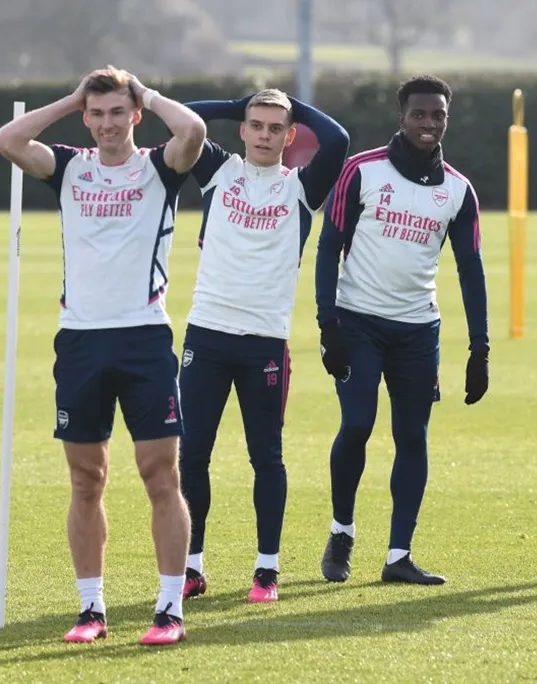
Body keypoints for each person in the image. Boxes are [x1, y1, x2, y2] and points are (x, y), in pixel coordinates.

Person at [0, 66, 206, 645]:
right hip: (81, 341)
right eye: (97, 114)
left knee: (160, 474)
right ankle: (91, 610)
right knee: (86, 480)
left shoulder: (160, 167)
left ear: (134, 115)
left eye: (118, 112)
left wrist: (152, 93)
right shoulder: (68, 167)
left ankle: (168, 609)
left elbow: (195, 133)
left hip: (144, 338)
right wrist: (70, 99)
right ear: (87, 119)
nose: (107, 124)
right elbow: (8, 142)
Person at [316, 75, 489, 586]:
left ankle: (398, 556)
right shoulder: (361, 171)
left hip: (418, 331)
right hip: (358, 323)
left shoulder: (458, 190)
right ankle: (342, 532)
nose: (429, 123)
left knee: (412, 435)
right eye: (420, 114)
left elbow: (471, 270)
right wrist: (329, 323)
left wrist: (480, 350)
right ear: (402, 117)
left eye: (438, 115)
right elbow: (328, 247)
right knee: (358, 424)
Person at [177, 89, 349, 602]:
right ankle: (191, 567)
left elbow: (337, 138)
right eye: (256, 125)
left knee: (266, 458)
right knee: (192, 457)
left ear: (291, 135)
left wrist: (288, 101)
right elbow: (179, 119)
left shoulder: (300, 188)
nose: (265, 135)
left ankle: (266, 570)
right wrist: (241, 102)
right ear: (242, 130)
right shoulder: (217, 172)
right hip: (206, 335)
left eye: (277, 128)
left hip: (264, 344)